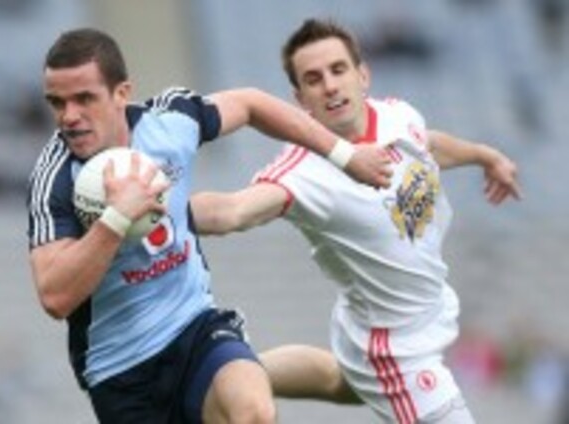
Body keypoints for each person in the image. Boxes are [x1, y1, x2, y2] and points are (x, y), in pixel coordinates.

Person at [25, 27, 393, 424]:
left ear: (121, 93)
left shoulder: (169, 123)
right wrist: (115, 219)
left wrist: (345, 156)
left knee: (253, 413)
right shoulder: (54, 179)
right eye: (57, 103)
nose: (69, 117)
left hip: (195, 328)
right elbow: (55, 296)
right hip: (122, 374)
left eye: (84, 99)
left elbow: (250, 104)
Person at [191, 18, 521, 423]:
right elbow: (231, 211)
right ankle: (219, 384)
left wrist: (484, 156)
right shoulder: (303, 172)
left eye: (338, 70)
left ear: (363, 75)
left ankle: (222, 378)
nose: (330, 86)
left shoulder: (398, 115)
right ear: (300, 99)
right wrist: (155, 208)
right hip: (396, 348)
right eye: (313, 79)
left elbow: (428, 145)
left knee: (338, 382)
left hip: (411, 312)